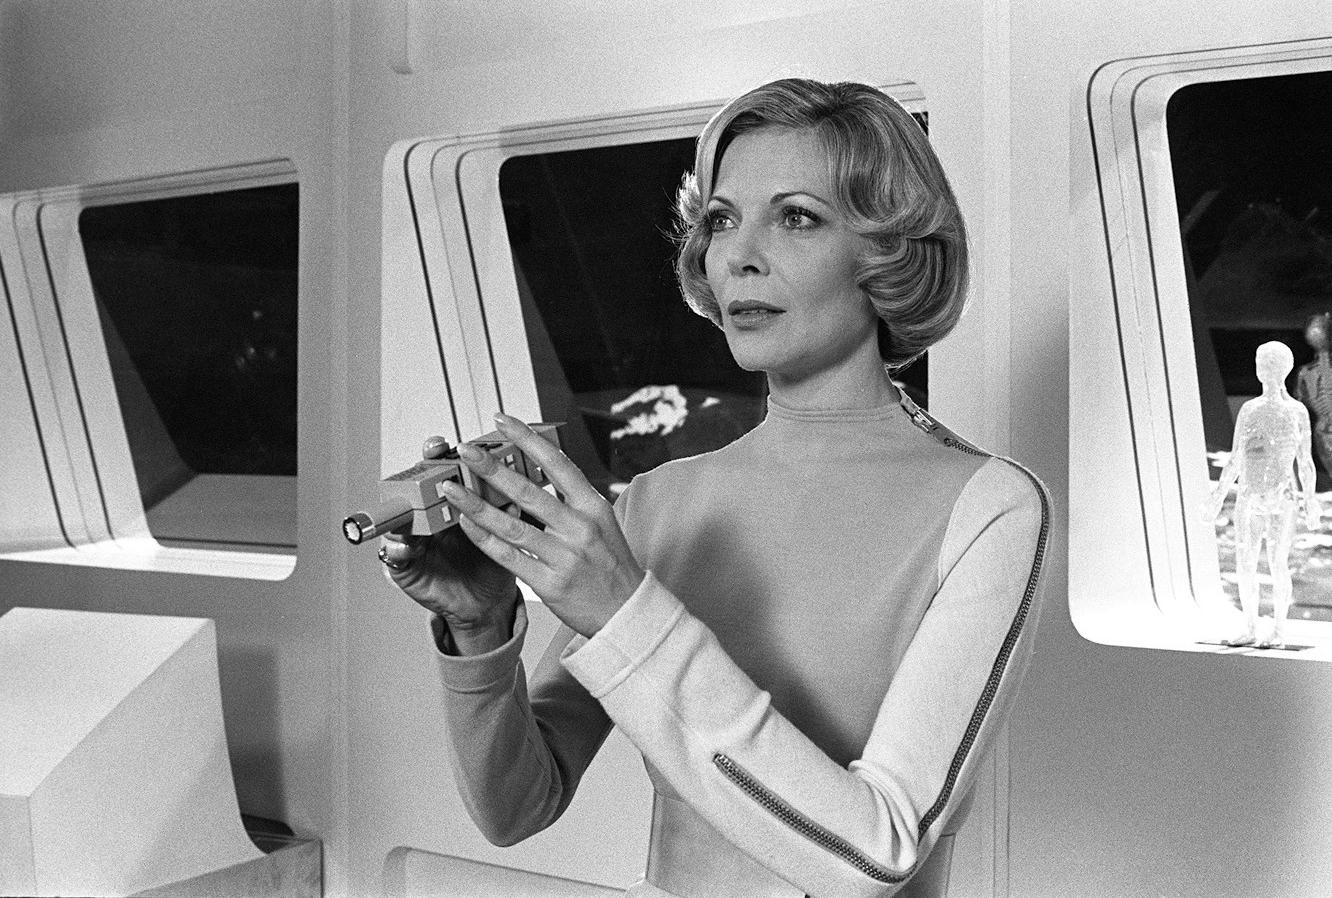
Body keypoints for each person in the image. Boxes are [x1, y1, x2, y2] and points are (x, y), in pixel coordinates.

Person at [380, 78, 1050, 898]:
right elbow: (519, 805)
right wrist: (481, 629)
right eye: (723, 219)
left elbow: (874, 856)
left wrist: (624, 613)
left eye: (795, 217)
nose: (736, 255)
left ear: (889, 252)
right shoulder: (660, 501)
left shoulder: (988, 507)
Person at [1204, 341, 1320, 649]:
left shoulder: (1296, 412)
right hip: (1250, 495)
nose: (1265, 370)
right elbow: (1236, 458)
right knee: (1246, 563)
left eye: (1269, 364)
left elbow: (1304, 461)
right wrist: (1217, 497)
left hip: (1282, 497)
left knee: (1277, 563)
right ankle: (1250, 626)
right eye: (1262, 364)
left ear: (1283, 369)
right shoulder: (1250, 410)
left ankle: (1279, 629)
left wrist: (1310, 500)